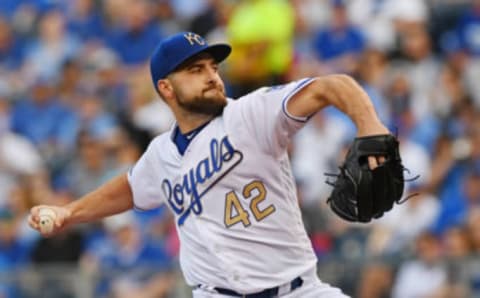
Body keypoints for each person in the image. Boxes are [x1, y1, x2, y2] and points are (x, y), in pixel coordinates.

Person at [29, 31, 390, 297]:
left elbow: (330, 86)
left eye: (213, 67)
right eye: (196, 70)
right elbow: (130, 187)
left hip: (296, 291)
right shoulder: (160, 154)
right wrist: (68, 212)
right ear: (167, 89)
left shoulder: (251, 114)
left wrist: (369, 124)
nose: (212, 76)